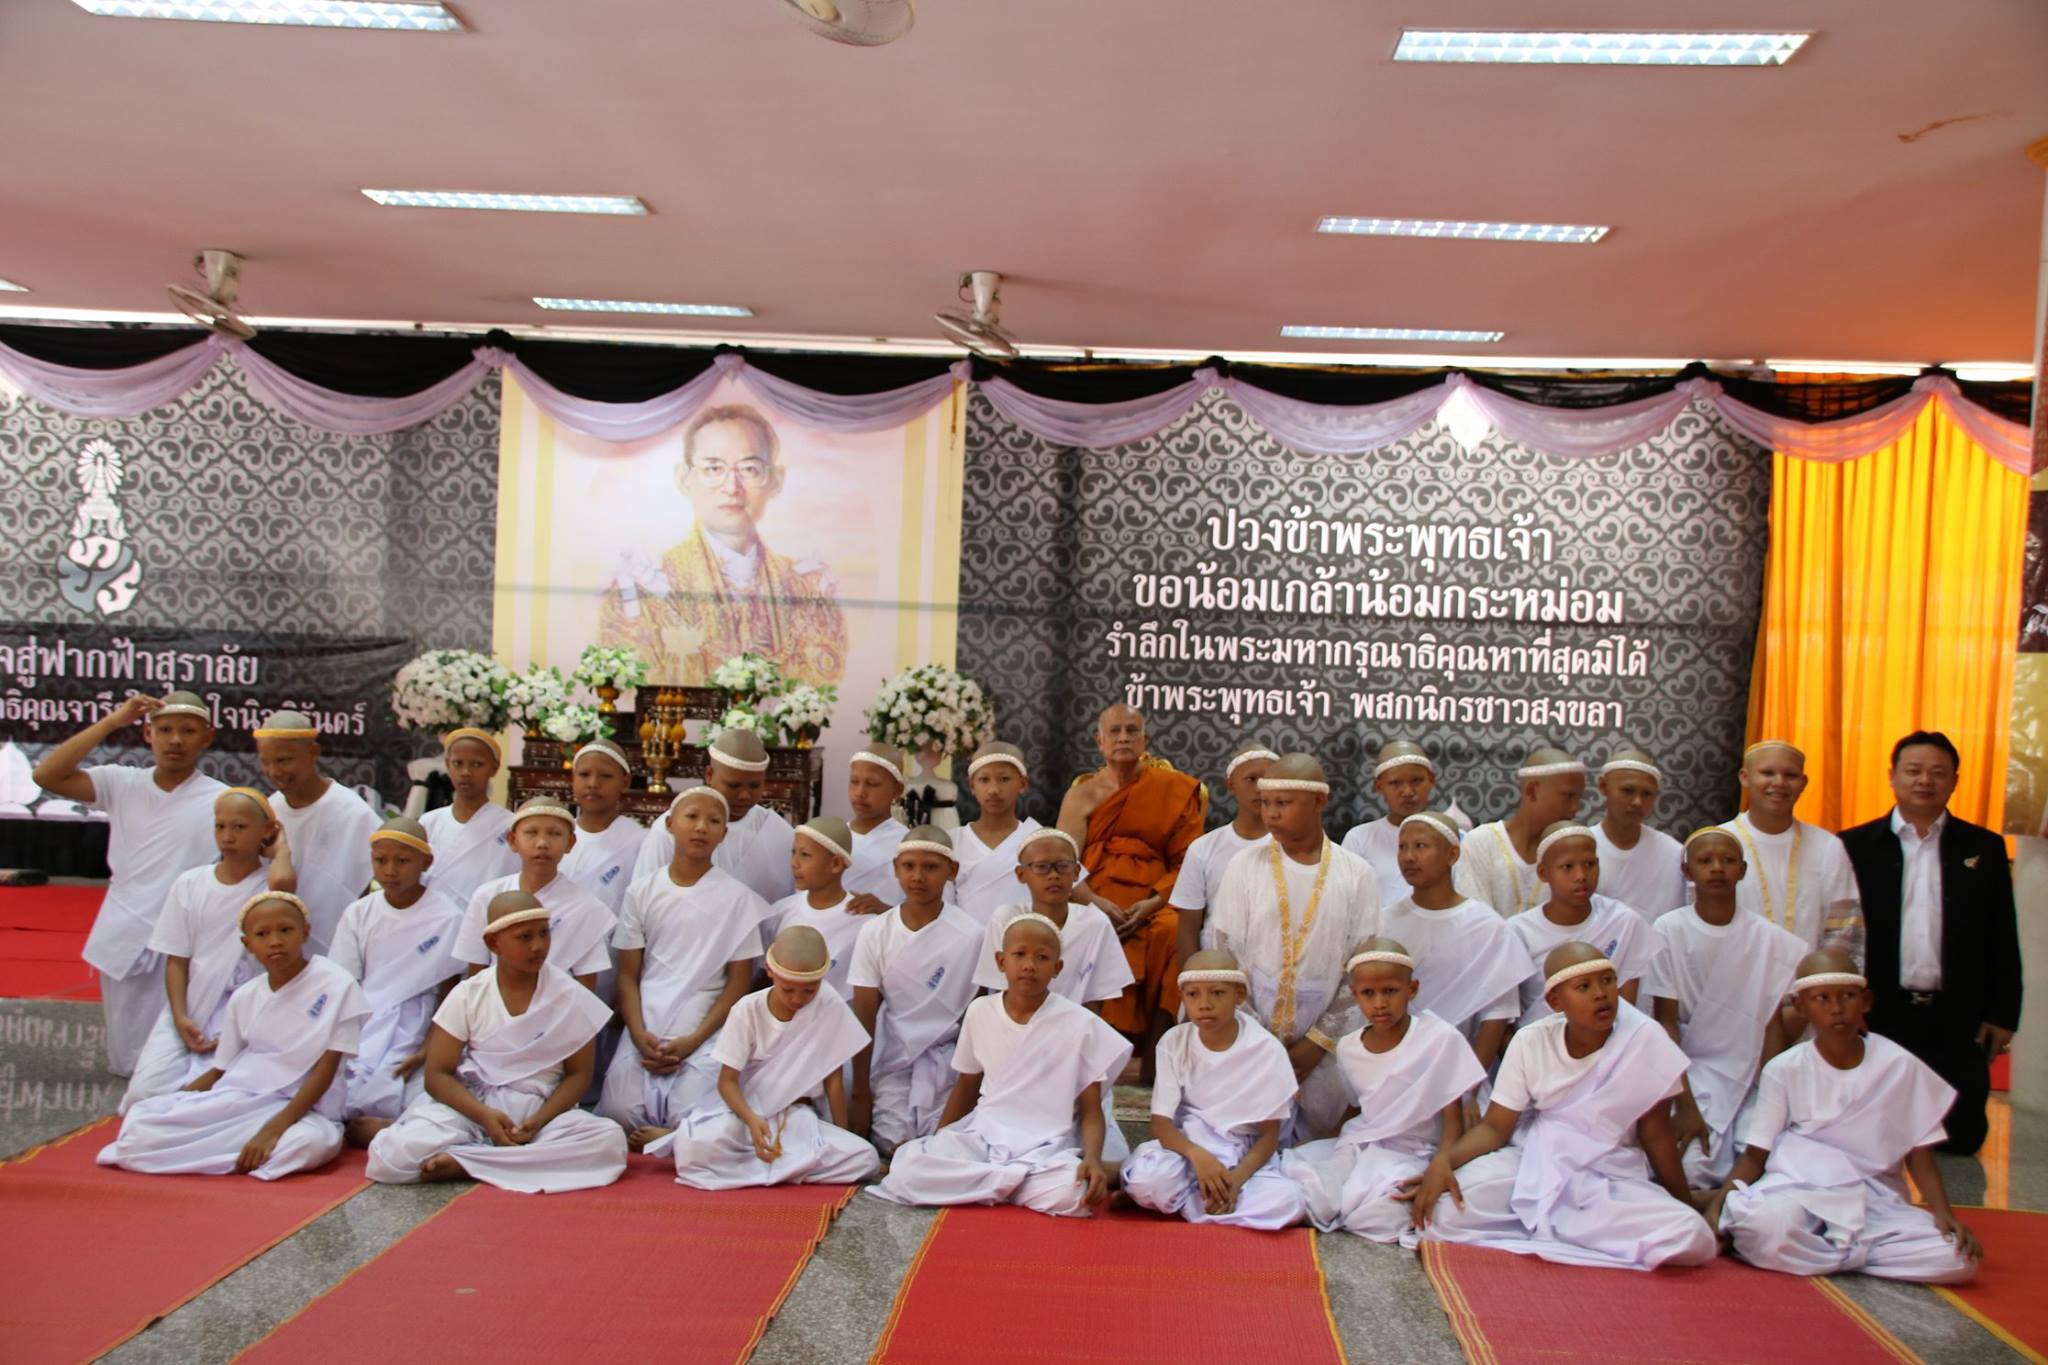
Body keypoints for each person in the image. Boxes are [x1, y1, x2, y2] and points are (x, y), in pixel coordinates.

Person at [1413, 943, 1717, 1271]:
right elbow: (1495, 1127)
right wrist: (1445, 1160)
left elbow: (1655, 1133)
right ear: (1555, 1002)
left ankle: (1563, 1227)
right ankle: (1575, 1230)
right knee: (1442, 1214)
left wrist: (1684, 1203)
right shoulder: (1531, 1041)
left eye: (1607, 981)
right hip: (1536, 1161)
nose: (1600, 994)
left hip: (1609, 1175)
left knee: (1691, 1235)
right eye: (1584, 987)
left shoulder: (1644, 1040)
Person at [1713, 951, 1980, 1283]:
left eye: (1847, 996)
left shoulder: (1898, 1065)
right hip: (1800, 1188)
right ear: (1800, 1006)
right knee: (1764, 1227)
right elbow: (1756, 1155)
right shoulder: (1783, 1069)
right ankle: (1853, 1250)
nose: (1836, 1008)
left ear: (1866, 1002)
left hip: (1874, 1197)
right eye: (1822, 998)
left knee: (1956, 1259)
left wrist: (1944, 1214)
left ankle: (1834, 1251)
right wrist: (1716, 1210)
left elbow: (1919, 1152)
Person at [869, 913, 1132, 1216]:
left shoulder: (1079, 1023)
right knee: (908, 1169)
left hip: (1046, 1146)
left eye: (1042, 957)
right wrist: (938, 1139)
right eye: (1019, 954)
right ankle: (1014, 1184)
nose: (1029, 965)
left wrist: (1093, 1159)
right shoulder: (980, 1011)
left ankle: (986, 1183)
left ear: (1057, 968)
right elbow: (967, 1085)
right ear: (1000, 961)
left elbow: (1090, 1108)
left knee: (1071, 1193)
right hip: (984, 1135)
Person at [365, 890, 626, 1192]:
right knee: (391, 1156)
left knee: (609, 1142)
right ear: (493, 943)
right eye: (524, 937)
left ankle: (466, 1162)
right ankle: (506, 1161)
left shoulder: (571, 995)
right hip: (474, 1107)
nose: (538, 946)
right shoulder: (468, 993)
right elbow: (437, 1075)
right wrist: (484, 1117)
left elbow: (578, 1075)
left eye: (544, 933)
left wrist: (538, 1122)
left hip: (540, 1109)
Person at [1839, 731, 2022, 1157]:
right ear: (1892, 776)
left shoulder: (1984, 847)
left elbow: (2002, 936)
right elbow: (1840, 934)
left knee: (1960, 1139)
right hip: (1880, 1011)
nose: (1925, 781)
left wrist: (2002, 1015)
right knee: (1870, 1134)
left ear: (1954, 781)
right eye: (1914, 771)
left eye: (1938, 773)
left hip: (1956, 1014)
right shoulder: (1853, 846)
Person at [99, 892, 368, 1179]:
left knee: (306, 1145)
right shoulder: (245, 996)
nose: (275, 941)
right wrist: (174, 1105)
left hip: (307, 1109)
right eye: (262, 934)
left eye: (285, 930)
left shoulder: (338, 984)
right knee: (143, 1123)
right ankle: (240, 1151)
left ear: (305, 932)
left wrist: (273, 1129)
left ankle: (241, 1148)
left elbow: (325, 1072)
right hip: (243, 1100)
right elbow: (221, 1071)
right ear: (247, 944)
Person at [34, 690, 227, 1075]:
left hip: (187, 935)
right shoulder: (120, 782)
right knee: (127, 1060)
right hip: (125, 930)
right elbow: (46, 775)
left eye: (188, 731)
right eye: (165, 730)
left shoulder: (222, 799)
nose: (175, 740)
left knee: (177, 1057)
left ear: (207, 737)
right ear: (147, 734)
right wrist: (112, 722)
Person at [596, 402, 847, 686]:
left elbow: (823, 686)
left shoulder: (809, 588)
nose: (731, 487)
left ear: (775, 480)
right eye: (714, 468)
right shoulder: (643, 586)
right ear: (684, 479)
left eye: (749, 469)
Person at [1202, 753, 1381, 1138]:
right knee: (1242, 1139)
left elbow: (1362, 968)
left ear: (1319, 801)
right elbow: (1225, 955)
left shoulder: (1357, 873)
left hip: (1324, 1044)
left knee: (1316, 1150)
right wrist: (1260, 1040)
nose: (1270, 813)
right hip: (1249, 1032)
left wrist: (1316, 1044)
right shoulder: (1243, 865)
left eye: (1282, 803)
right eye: (1266, 802)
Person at [598, 787, 773, 1149]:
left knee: (693, 1112)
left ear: (724, 833)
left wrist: (694, 1040)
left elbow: (738, 984)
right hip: (647, 1021)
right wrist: (638, 1034)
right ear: (670, 824)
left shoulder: (738, 899)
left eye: (713, 821)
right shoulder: (642, 892)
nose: (701, 828)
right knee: (619, 1113)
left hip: (705, 1026)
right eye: (692, 817)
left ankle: (676, 1138)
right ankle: (676, 1141)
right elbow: (628, 975)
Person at [1281, 940, 1486, 1243]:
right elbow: (1359, 1108)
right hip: (1364, 1142)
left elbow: (1452, 1122)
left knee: (1379, 1216)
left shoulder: (1439, 1038)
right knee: (1303, 1180)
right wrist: (1329, 1145)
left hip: (1416, 1151)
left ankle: (1356, 1202)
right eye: (1368, 993)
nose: (1379, 1003)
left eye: (1390, 991)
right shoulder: (1349, 1047)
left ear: (1411, 989)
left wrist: (1439, 1168)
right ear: (1355, 995)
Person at [1648, 827, 1805, 1186]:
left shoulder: (1768, 939)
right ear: (1687, 871)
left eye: (1727, 860)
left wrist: (1769, 1097)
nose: (1717, 868)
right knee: (1692, 1168)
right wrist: (1684, 1104)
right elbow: (1665, 1022)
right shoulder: (1668, 929)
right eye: (1705, 861)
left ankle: (1715, 1205)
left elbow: (1771, 1024)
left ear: (1742, 870)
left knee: (1770, 1161)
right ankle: (1714, 1203)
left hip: (1751, 1074)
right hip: (1692, 1071)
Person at [670, 926, 879, 1189]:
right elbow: (727, 1082)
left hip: (798, 1117)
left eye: (809, 991)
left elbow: (833, 1080)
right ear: (770, 971)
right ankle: (788, 1166)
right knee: (694, 1148)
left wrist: (844, 1135)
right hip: (747, 1114)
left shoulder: (829, 1004)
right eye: (788, 990)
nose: (798, 999)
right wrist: (752, 1119)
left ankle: (765, 1166)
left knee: (865, 1158)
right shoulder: (747, 1010)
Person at [973, 828, 1135, 1160]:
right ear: (1021, 874)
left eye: (1062, 866)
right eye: (1042, 867)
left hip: (1072, 1051)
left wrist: (1074, 1058)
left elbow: (1094, 1006)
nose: (1053, 876)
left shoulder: (1094, 923)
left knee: (1101, 1155)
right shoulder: (1006, 919)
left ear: (1077, 872)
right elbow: (997, 1000)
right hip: (1014, 1050)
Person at [1059, 704, 1205, 1067]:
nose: (1123, 738)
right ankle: (1090, 1048)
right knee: (1091, 928)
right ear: (1099, 741)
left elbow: (1188, 862)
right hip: (1095, 897)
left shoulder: (1172, 789)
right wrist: (1094, 902)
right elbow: (1064, 861)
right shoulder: (1082, 794)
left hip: (1156, 898)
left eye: (1131, 731)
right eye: (1115, 731)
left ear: (1145, 739)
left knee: (1173, 931)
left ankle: (1159, 1050)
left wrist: (1152, 903)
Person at [119, 788, 281, 1113]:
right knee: (143, 1095)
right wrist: (180, 1017)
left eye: (239, 827)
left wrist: (282, 848)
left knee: (221, 1096)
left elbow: (285, 883)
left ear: (266, 830)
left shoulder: (270, 884)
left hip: (245, 1009)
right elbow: (176, 960)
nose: (227, 837)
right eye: (220, 826)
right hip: (193, 1004)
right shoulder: (190, 883)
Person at [1121, 950, 1306, 1230]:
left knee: (1289, 1203)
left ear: (1239, 995)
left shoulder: (1266, 1049)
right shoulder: (1174, 1041)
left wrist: (1235, 1182)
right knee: (1150, 1182)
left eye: (1217, 993)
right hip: (1188, 1149)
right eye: (1193, 995)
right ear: (1182, 997)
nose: (1204, 1004)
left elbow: (1268, 1137)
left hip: (1242, 1156)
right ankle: (1207, 1203)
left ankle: (1195, 1202)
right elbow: (1161, 1125)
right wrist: (1198, 1157)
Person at [328, 816, 466, 1146]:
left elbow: (450, 994)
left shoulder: (448, 916)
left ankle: (388, 1127)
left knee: (429, 1093)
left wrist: (427, 1050)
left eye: (402, 861)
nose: (390, 870)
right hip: (364, 1020)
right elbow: (342, 984)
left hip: (420, 1026)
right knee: (332, 1085)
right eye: (381, 860)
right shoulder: (359, 912)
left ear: (426, 862)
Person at [846, 830, 985, 1156]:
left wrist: (968, 1087)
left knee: (942, 1147)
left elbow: (978, 1019)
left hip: (950, 1061)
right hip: (893, 1059)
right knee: (891, 1144)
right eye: (909, 866)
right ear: (896, 868)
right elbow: (865, 1014)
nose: (918, 877)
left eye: (931, 867)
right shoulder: (875, 932)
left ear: (952, 870)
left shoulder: (973, 935)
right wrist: (861, 1093)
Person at [1376, 812, 1525, 1077]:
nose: (1408, 857)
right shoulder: (1384, 922)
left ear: (1452, 855)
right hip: (1392, 1069)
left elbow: (1496, 1015)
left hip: (1462, 1069)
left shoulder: (1486, 926)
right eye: (1402, 847)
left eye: (1420, 846)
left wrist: (1470, 1083)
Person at [1717, 740, 1864, 964]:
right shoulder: (1716, 843)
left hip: (1807, 981)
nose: (1779, 783)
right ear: (1745, 778)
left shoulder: (1828, 847)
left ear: (1803, 783)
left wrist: (1820, 977)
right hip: (1731, 977)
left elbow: (1844, 930)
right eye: (1767, 773)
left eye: (1790, 775)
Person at [453, 798, 614, 994]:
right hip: (495, 1004)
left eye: (554, 833)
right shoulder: (487, 896)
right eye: (531, 832)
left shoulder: (587, 908)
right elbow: (476, 972)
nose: (542, 843)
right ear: (512, 840)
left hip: (559, 1007)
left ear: (570, 843)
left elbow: (586, 987)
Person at [1506, 823, 1658, 1025]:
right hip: (1537, 1040)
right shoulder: (1518, 932)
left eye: (1589, 864)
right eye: (1567, 867)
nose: (1581, 876)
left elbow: (1626, 1012)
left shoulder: (1623, 922)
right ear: (1543, 872)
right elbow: (1506, 1017)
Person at [950, 741, 1117, 925]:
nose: (994, 790)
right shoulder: (953, 841)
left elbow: (1074, 886)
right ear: (972, 786)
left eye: (1004, 779)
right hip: (966, 940)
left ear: (1023, 784)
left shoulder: (1041, 839)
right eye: (984, 780)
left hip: (1029, 938)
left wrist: (1100, 905)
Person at [255, 709, 379, 954]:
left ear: (313, 753)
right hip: (278, 952)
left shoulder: (354, 813)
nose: (274, 771)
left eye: (283, 760)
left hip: (340, 950)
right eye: (265, 762)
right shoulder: (269, 811)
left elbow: (366, 890)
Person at [630, 728, 796, 905]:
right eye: (733, 785)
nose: (744, 795)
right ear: (709, 775)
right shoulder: (672, 828)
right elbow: (642, 898)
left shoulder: (779, 831)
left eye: (754, 786)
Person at [1169, 744, 1275, 966]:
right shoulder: (1202, 849)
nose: (1260, 788)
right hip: (1217, 967)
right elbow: (1188, 927)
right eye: (1251, 779)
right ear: (1231, 785)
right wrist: (1192, 979)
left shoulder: (1292, 847)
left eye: (1267, 779)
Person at [1341, 740, 1475, 906]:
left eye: (1416, 780)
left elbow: (1467, 902)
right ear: (1379, 786)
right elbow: (1346, 902)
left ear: (1431, 780)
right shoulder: (1358, 839)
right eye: (1395, 783)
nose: (1407, 792)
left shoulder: (1456, 839)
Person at [1463, 749, 1587, 918]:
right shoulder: (1481, 842)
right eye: (1568, 796)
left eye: (1579, 797)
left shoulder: (1573, 851)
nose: (1575, 808)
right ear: (1532, 790)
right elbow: (1473, 920)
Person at [418, 729, 517, 911]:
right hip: (433, 919)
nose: (466, 772)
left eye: (477, 764)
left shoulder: (509, 826)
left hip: (485, 918)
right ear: (448, 765)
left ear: (494, 768)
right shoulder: (429, 822)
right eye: (458, 763)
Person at [764, 817, 861, 998]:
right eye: (794, 852)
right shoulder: (781, 911)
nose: (795, 863)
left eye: (805, 855)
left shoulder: (864, 921)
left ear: (836, 864)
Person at [1588, 749, 1685, 920]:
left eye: (1647, 794)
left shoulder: (1674, 855)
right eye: (1628, 790)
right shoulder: (1579, 848)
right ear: (1603, 786)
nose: (1637, 802)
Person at [558, 739, 645, 915]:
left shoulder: (640, 841)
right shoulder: (557, 836)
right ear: (573, 779)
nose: (593, 784)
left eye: (605, 776)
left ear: (625, 782)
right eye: (584, 774)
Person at [844, 743, 911, 909]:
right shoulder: (836, 837)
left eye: (872, 783)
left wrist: (883, 910)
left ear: (897, 790)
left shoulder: (907, 844)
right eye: (854, 782)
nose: (859, 793)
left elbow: (923, 911)